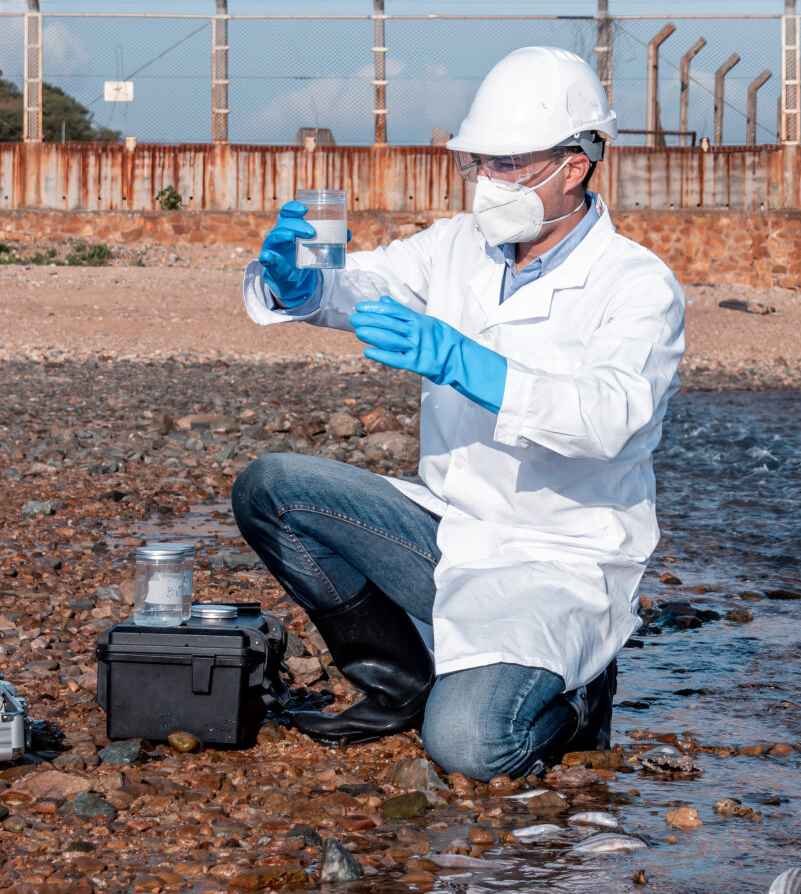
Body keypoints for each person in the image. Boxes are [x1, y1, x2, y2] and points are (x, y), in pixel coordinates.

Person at [231, 45, 686, 780]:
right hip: (450, 529)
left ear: (574, 166)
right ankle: (399, 683)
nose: (487, 181)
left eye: (508, 164)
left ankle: (578, 693)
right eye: (479, 163)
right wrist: (300, 283)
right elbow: (364, 282)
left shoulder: (635, 285)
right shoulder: (458, 247)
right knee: (273, 487)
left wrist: (465, 364)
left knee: (473, 745)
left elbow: (611, 418)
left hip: (559, 557)